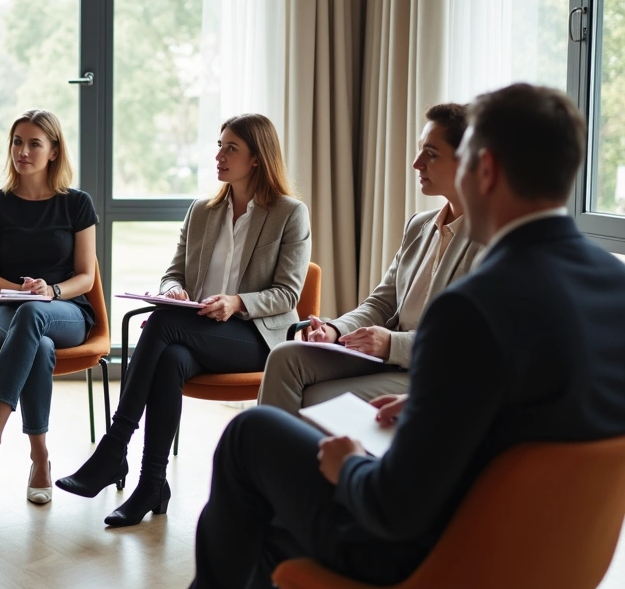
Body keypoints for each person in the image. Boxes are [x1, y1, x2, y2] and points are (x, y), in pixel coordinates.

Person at [189, 83, 625, 589]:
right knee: (275, 530)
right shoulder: (615, 284)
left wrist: (349, 463)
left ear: (485, 170)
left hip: (436, 550)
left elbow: (393, 508)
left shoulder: (472, 307)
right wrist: (436, 405)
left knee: (251, 437)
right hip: (554, 552)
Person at [56, 114, 312, 527]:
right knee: (170, 357)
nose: (219, 155)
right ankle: (151, 485)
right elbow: (173, 271)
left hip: (255, 338)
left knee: (160, 326)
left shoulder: (288, 213)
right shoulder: (203, 211)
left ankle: (112, 450)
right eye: (219, 144)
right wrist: (173, 290)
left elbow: (287, 293)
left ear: (257, 160)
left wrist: (236, 303)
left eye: (231, 148)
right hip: (199, 332)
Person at [257, 104, 482, 415]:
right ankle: (269, 460)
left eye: (430, 153)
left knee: (321, 395)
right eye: (419, 151)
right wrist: (335, 331)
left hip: (435, 370)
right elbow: (381, 304)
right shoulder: (420, 226)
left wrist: (392, 344)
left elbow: (468, 341)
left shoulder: (489, 241)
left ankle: (288, 459)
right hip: (388, 356)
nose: (417, 163)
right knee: (285, 356)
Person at [0, 109, 98, 504]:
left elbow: (86, 275)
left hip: (65, 310)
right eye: (17, 142)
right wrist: (23, 290)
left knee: (36, 318)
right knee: (39, 345)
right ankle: (41, 458)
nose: (23, 151)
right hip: (3, 314)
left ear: (53, 151)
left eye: (34, 143)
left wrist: (50, 291)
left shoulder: (77, 205)